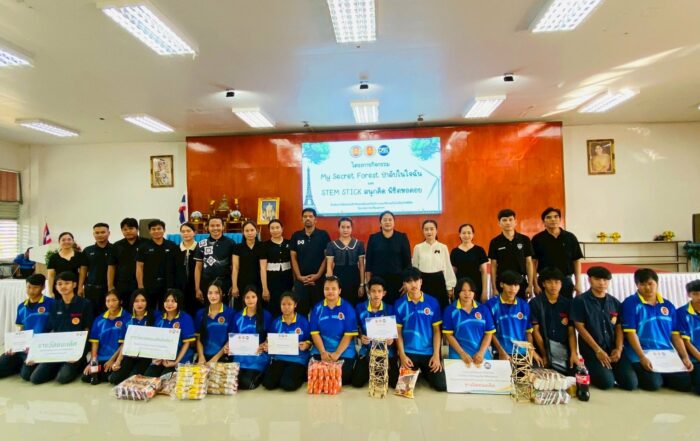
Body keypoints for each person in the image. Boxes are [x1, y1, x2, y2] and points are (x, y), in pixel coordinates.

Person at [619, 268, 693, 391]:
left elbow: (675, 335)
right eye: (642, 284)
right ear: (637, 285)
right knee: (652, 384)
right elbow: (630, 333)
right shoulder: (630, 303)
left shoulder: (668, 305)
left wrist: (684, 357)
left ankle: (662, 375)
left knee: (684, 384)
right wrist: (642, 357)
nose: (647, 288)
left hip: (665, 354)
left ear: (657, 283)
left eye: (650, 283)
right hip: (641, 353)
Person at [571, 266, 632, 390]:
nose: (602, 283)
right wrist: (598, 350)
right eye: (597, 279)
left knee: (630, 383)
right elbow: (580, 328)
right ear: (589, 280)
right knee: (606, 383)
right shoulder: (580, 301)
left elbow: (619, 327)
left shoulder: (614, 302)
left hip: (612, 348)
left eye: (605, 280)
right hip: (592, 350)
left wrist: (619, 349)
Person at [28, 271, 94, 384]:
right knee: (35, 378)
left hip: (75, 349)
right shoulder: (55, 305)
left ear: (74, 285)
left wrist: (79, 353)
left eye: (67, 283)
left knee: (62, 378)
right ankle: (59, 366)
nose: (63, 286)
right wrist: (37, 353)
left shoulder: (85, 304)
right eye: (59, 284)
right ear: (56, 287)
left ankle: (78, 364)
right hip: (57, 348)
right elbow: (49, 329)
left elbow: (88, 329)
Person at [394, 267, 446, 391]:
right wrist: (402, 356)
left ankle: (424, 372)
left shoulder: (432, 302)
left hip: (429, 352)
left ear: (421, 281)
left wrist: (436, 355)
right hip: (409, 353)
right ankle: (416, 371)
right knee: (404, 388)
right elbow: (398, 333)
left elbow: (437, 331)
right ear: (404, 284)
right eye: (409, 281)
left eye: (416, 280)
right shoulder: (399, 304)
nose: (413, 284)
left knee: (441, 386)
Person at [0, 274, 54, 379]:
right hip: (23, 348)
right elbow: (21, 329)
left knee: (26, 375)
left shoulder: (52, 304)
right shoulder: (21, 307)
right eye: (29, 287)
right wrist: (15, 346)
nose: (31, 291)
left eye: (35, 287)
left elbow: (55, 329)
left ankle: (22, 366)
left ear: (43, 287)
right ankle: (18, 363)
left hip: (40, 348)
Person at [352, 276, 399, 388]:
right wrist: (361, 337)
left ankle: (378, 370)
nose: (376, 294)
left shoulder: (390, 309)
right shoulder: (360, 308)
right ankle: (373, 369)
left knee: (395, 383)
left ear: (384, 293)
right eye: (373, 291)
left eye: (379, 291)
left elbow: (396, 331)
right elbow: (355, 329)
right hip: (368, 351)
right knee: (357, 382)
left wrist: (392, 339)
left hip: (387, 352)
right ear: (368, 292)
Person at [310, 276, 358, 385]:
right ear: (323, 290)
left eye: (333, 288)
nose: (330, 291)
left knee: (343, 377)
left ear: (339, 290)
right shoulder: (317, 308)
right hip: (322, 351)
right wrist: (323, 352)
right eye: (327, 289)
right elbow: (315, 333)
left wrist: (337, 353)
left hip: (343, 352)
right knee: (314, 375)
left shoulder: (348, 308)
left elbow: (348, 335)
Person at [486, 271, 542, 364]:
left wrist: (531, 351)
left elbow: (528, 332)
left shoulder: (524, 305)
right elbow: (490, 333)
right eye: (509, 285)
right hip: (500, 353)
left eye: (516, 285)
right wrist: (501, 351)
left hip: (522, 353)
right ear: (501, 284)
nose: (513, 289)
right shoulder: (491, 305)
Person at [529, 268, 578, 375]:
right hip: (542, 348)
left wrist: (574, 353)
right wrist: (545, 354)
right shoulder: (535, 303)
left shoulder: (568, 304)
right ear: (543, 284)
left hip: (563, 349)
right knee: (539, 375)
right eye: (549, 282)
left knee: (575, 374)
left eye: (557, 282)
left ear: (561, 284)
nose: (553, 286)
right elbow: (535, 331)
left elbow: (571, 331)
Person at [262, 292, 312, 391]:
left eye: (289, 304)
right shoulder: (276, 322)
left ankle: (300, 374)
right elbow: (269, 340)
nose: (286, 307)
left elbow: (310, 341)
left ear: (295, 305)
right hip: (279, 358)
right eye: (283, 304)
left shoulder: (303, 321)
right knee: (268, 384)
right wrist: (267, 345)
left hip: (297, 359)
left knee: (288, 384)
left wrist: (306, 345)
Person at [442, 277, 495, 366]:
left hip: (481, 355)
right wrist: (462, 353)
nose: (467, 294)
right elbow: (449, 335)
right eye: (463, 291)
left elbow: (489, 333)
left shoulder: (483, 309)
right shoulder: (450, 310)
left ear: (474, 292)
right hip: (457, 355)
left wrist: (481, 352)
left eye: (470, 291)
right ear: (458, 292)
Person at [531, 207, 583, 298]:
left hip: (565, 281)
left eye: (556, 216)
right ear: (543, 221)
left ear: (560, 219)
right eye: (549, 217)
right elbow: (533, 263)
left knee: (566, 306)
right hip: (545, 281)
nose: (553, 219)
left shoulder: (570, 237)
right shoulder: (537, 239)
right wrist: (535, 285)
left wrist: (578, 282)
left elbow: (576, 260)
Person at [82, 289, 131, 384]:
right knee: (86, 377)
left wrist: (112, 360)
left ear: (120, 301)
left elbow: (124, 344)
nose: (111, 303)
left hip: (118, 357)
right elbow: (95, 344)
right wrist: (93, 362)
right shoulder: (99, 319)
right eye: (108, 301)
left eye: (114, 300)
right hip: (101, 358)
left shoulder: (127, 318)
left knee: (114, 378)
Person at [144, 289, 196, 377]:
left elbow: (187, 343)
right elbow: (156, 341)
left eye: (173, 301)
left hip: (180, 358)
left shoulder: (186, 318)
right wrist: (155, 357)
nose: (169, 304)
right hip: (161, 358)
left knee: (165, 380)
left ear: (179, 302)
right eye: (167, 301)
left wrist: (176, 362)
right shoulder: (159, 318)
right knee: (148, 377)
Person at [108, 289, 156, 385]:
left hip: (146, 356)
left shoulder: (154, 317)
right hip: (130, 355)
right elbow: (125, 342)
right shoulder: (128, 319)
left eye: (143, 300)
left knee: (133, 380)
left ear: (147, 302)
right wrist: (118, 361)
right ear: (132, 303)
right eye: (136, 301)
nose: (140, 304)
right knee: (113, 379)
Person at [290, 208, 331, 315]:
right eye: (305, 216)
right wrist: (299, 277)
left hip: (319, 281)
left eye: (310, 216)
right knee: (300, 312)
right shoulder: (296, 236)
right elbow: (293, 258)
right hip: (301, 281)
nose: (308, 218)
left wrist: (318, 275)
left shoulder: (323, 235)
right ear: (302, 219)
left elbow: (326, 257)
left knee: (319, 312)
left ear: (315, 219)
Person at [365, 211, 411, 305]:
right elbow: (368, 263)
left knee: (397, 306)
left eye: (390, 220)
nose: (387, 222)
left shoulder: (402, 237)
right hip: (378, 282)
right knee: (380, 307)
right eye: (385, 220)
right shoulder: (373, 238)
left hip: (398, 281)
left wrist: (407, 282)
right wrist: (368, 284)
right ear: (380, 223)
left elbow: (407, 263)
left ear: (394, 222)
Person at [488, 209, 535, 300]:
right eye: (504, 220)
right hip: (502, 283)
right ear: (499, 223)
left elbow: (529, 263)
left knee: (520, 307)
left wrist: (530, 285)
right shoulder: (495, 242)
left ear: (515, 222)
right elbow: (493, 266)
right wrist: (494, 288)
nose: (508, 222)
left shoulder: (524, 239)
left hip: (520, 283)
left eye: (510, 219)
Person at [232, 286, 271, 389]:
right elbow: (233, 336)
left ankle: (262, 373)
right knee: (233, 381)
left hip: (258, 356)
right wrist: (229, 347)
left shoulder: (266, 315)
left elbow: (270, 335)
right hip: (240, 356)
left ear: (258, 298)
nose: (250, 300)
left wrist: (265, 343)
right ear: (243, 299)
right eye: (247, 297)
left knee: (246, 383)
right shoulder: (237, 316)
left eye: (253, 297)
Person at [412, 220, 456, 310]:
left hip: (439, 281)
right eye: (426, 229)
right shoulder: (418, 247)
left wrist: (449, 286)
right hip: (423, 282)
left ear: (436, 230)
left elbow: (447, 267)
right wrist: (415, 285)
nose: (429, 232)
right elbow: (415, 268)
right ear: (423, 231)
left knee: (440, 308)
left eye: (432, 229)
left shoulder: (443, 247)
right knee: (424, 308)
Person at [136, 219, 179, 308]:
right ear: (149, 231)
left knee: (166, 309)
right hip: (149, 285)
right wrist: (140, 286)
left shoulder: (172, 245)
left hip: (168, 285)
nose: (156, 231)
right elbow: (139, 267)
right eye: (153, 229)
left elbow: (176, 266)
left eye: (159, 228)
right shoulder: (143, 247)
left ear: (164, 230)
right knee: (149, 309)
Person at [194, 217, 236, 305]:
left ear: (223, 227)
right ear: (207, 227)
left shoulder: (231, 243)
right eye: (212, 226)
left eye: (218, 225)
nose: (215, 228)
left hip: (225, 282)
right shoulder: (201, 244)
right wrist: (197, 288)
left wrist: (234, 285)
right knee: (208, 308)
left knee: (224, 308)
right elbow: (198, 268)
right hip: (206, 283)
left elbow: (234, 267)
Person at [325, 217, 366, 306]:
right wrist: (330, 285)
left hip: (355, 278)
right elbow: (329, 267)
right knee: (340, 304)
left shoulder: (359, 244)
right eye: (343, 227)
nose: (345, 230)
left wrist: (362, 284)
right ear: (338, 228)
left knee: (356, 304)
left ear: (351, 228)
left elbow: (362, 266)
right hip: (338, 278)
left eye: (348, 227)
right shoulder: (331, 245)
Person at [195, 281, 235, 364]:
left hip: (223, 357)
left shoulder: (230, 313)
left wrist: (215, 358)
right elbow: (198, 338)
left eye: (217, 293)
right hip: (203, 358)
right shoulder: (200, 313)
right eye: (210, 293)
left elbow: (232, 338)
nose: (213, 296)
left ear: (222, 294)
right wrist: (201, 356)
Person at [259, 219, 293, 317]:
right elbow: (262, 268)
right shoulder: (264, 245)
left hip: (287, 280)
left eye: (277, 227)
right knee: (272, 307)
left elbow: (294, 264)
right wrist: (265, 288)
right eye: (272, 228)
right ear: (269, 230)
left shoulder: (290, 243)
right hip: (271, 281)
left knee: (287, 304)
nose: (275, 230)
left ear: (282, 228)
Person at [450, 224, 489, 303]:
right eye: (464, 233)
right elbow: (452, 273)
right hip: (460, 288)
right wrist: (452, 290)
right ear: (460, 235)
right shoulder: (454, 252)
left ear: (473, 234)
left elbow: (484, 272)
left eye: (469, 233)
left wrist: (485, 291)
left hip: (476, 287)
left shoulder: (479, 250)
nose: (466, 235)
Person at [108, 218, 142, 300]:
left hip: (141, 284)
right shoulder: (116, 246)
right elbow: (111, 266)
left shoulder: (146, 243)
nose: (128, 231)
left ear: (137, 229)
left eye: (131, 228)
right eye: (125, 229)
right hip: (122, 285)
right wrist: (110, 286)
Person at [83, 223, 113, 314]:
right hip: (91, 290)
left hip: (109, 289)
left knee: (109, 314)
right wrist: (80, 287)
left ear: (109, 233)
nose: (100, 235)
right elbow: (83, 269)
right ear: (93, 234)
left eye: (103, 232)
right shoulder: (87, 250)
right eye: (97, 233)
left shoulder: (115, 249)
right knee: (90, 314)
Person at [232, 221, 263, 309]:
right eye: (247, 231)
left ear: (257, 231)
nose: (250, 233)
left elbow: (263, 267)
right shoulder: (237, 247)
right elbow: (235, 267)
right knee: (241, 307)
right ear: (243, 232)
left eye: (252, 230)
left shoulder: (262, 246)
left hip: (258, 281)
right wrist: (234, 286)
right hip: (242, 281)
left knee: (258, 307)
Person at [677, 280, 700, 395]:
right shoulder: (681, 313)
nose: (699, 297)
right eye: (695, 294)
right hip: (694, 358)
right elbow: (686, 342)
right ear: (688, 294)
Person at [47, 232, 87, 296]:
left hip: (75, 287)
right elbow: (51, 275)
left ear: (73, 241)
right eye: (63, 240)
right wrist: (50, 291)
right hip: (59, 288)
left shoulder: (80, 256)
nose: (66, 241)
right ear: (59, 242)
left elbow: (82, 274)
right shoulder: (53, 257)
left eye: (69, 239)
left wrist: (80, 288)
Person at [176, 222, 199, 316]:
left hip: (196, 287)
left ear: (194, 232)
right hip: (180, 288)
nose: (185, 233)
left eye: (188, 231)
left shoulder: (200, 248)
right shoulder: (175, 249)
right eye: (183, 231)